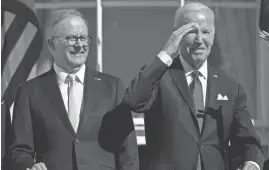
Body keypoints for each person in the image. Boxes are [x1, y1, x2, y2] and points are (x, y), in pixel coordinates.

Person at [124, 3, 264, 170]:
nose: (199, 40)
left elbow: (247, 140)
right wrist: (167, 53)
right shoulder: (160, 76)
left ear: (213, 34)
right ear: (177, 34)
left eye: (205, 32)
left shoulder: (230, 87)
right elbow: (134, 100)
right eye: (192, 32)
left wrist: (252, 162)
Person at [9, 9, 138, 170]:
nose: (79, 45)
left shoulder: (112, 88)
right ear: (51, 44)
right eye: (71, 38)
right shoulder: (30, 92)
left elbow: (128, 152)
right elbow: (19, 151)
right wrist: (30, 166)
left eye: (83, 38)